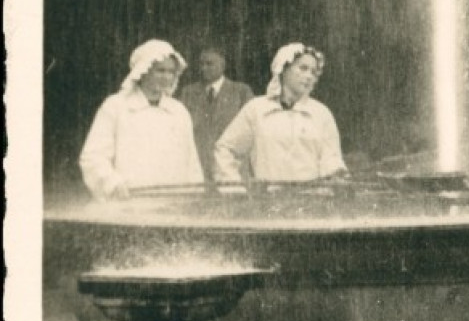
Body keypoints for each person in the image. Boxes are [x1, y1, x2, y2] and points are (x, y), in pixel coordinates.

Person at [79, 39, 206, 201]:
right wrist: (113, 183)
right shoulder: (116, 107)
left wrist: (193, 197)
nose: (167, 77)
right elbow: (93, 157)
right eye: (160, 71)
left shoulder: (179, 112)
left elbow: (192, 164)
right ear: (143, 71)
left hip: (174, 206)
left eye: (171, 72)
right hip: (129, 205)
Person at [215, 42, 346, 183]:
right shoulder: (256, 110)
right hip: (268, 200)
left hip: (310, 200)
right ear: (283, 69)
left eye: (313, 72)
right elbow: (226, 149)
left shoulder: (321, 114)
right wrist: (234, 188)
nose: (309, 76)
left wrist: (334, 180)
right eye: (303, 68)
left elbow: (331, 161)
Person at [177, 46, 254, 179]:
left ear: (222, 65)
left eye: (209, 64)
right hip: (200, 167)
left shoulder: (241, 92)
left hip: (231, 168)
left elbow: (251, 132)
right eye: (201, 64)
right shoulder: (188, 93)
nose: (203, 68)